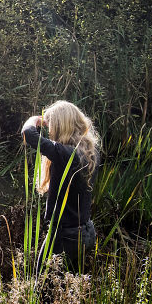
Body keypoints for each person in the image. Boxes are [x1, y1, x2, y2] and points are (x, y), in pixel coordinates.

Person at [22, 100, 99, 271]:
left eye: (51, 126)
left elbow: (28, 134)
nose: (49, 131)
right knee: (69, 287)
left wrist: (36, 119)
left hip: (66, 235)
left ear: (60, 126)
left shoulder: (66, 154)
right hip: (86, 231)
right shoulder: (90, 152)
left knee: (41, 285)